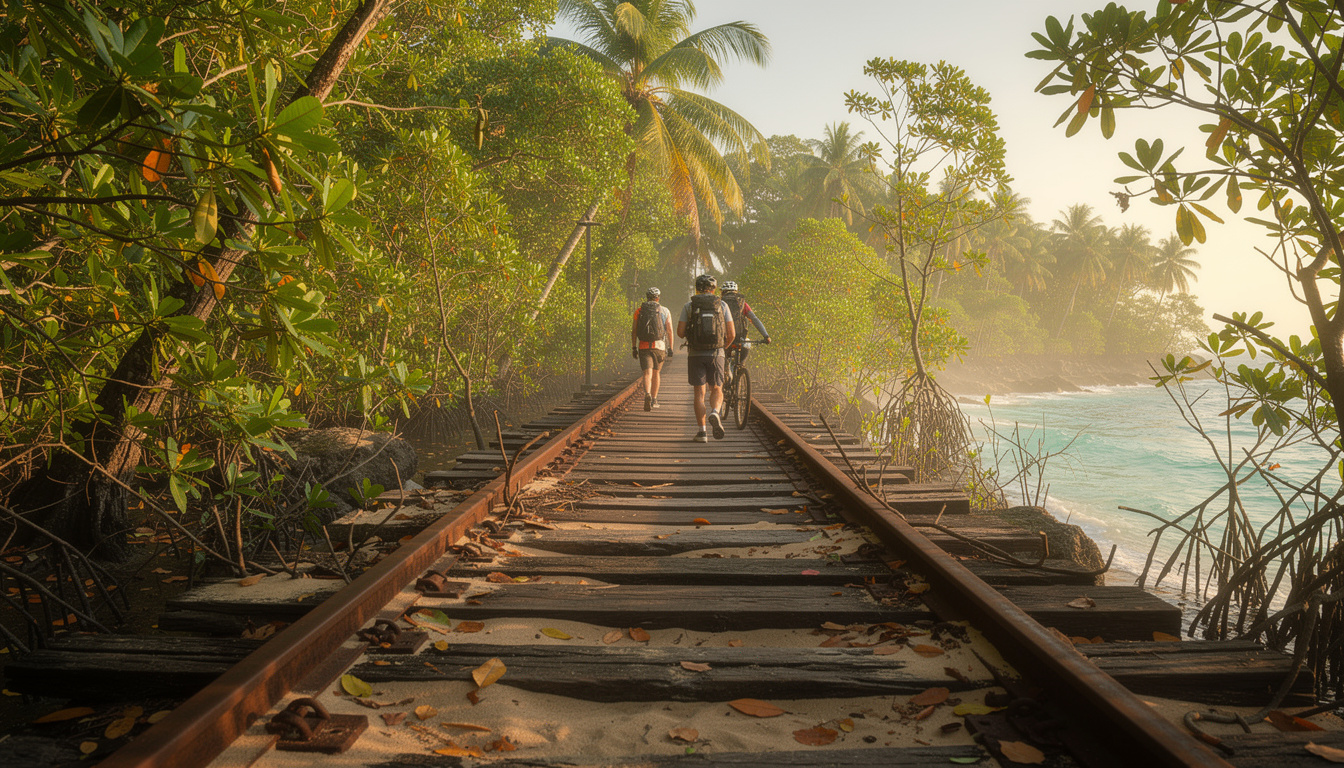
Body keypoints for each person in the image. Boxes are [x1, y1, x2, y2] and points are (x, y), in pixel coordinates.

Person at [677, 274, 735, 441]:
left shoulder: (689, 306)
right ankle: (715, 412)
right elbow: (731, 333)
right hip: (717, 353)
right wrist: (722, 348)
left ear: (697, 288)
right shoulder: (722, 305)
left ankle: (702, 432)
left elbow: (680, 333)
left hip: (695, 354)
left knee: (699, 393)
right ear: (714, 289)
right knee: (717, 388)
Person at [631, 287, 674, 411]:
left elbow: (634, 331)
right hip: (659, 347)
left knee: (647, 373)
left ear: (647, 297)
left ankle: (647, 394)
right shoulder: (665, 311)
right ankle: (654, 399)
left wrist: (634, 346)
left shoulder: (639, 311)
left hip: (643, 345)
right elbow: (669, 330)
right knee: (656, 373)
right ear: (658, 298)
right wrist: (670, 348)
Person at [719, 281, 771, 373]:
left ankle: (725, 371)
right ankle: (740, 366)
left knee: (722, 359)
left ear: (723, 292)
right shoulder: (742, 304)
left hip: (723, 340)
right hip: (740, 339)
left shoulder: (719, 304)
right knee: (747, 345)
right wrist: (766, 335)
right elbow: (754, 319)